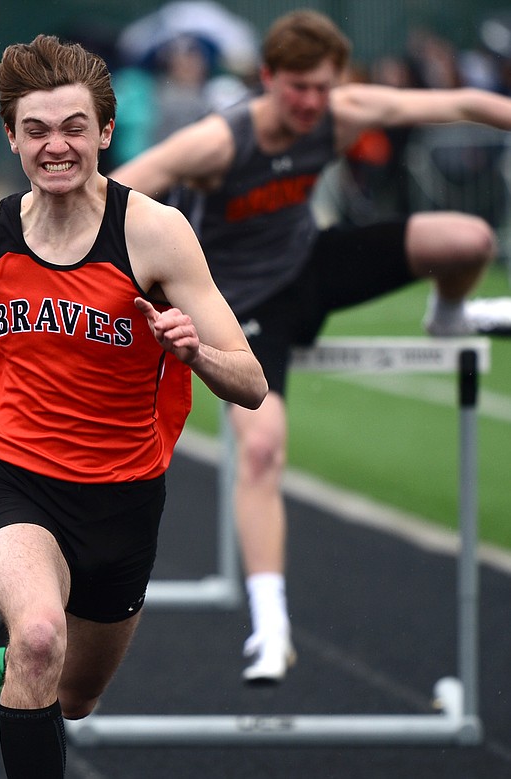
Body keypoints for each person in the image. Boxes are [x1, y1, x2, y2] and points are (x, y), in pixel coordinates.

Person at [0, 35, 266, 777]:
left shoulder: (155, 235)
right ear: (12, 137)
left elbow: (252, 383)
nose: (55, 146)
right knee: (41, 635)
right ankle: (20, 640)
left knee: (74, 696)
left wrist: (192, 353)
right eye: (35, 131)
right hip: (15, 478)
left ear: (105, 132)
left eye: (73, 128)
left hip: (122, 499)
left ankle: (11, 657)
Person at [110, 9, 511, 685]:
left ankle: (448, 318)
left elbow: (462, 99)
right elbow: (121, 190)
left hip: (311, 265)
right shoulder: (218, 142)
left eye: (321, 88)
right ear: (268, 78)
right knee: (262, 449)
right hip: (242, 302)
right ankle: (272, 628)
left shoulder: (344, 111)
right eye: (296, 87)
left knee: (469, 240)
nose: (309, 103)